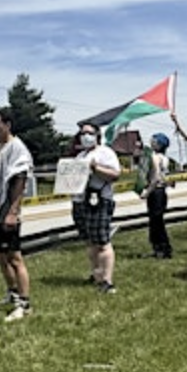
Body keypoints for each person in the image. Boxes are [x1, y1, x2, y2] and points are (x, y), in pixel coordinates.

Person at [0, 108, 35, 321]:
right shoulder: (0, 148)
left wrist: (12, 211)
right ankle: (12, 293)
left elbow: (20, 180)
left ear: (7, 125)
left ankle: (24, 303)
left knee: (14, 257)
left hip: (7, 210)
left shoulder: (17, 148)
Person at [71, 124, 122, 294]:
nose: (85, 136)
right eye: (82, 133)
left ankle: (107, 280)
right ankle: (96, 274)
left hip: (99, 200)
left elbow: (115, 175)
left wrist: (95, 168)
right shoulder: (80, 155)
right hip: (80, 200)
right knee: (89, 241)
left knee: (102, 242)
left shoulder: (105, 153)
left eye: (89, 133)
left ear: (97, 135)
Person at [140, 129, 173, 259]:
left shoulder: (154, 157)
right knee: (158, 220)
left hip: (155, 191)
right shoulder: (165, 158)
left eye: (154, 141)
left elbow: (155, 177)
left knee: (155, 222)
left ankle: (161, 248)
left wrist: (146, 193)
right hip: (162, 192)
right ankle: (162, 248)